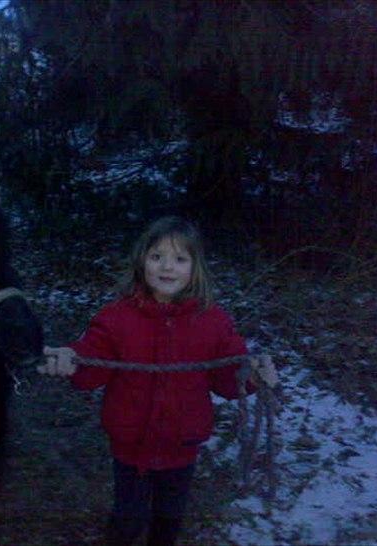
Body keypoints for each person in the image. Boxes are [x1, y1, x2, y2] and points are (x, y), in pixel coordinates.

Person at [38, 216, 278, 546]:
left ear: (195, 268)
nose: (167, 267)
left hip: (182, 447)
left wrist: (251, 376)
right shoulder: (116, 317)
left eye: (180, 259)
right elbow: (93, 363)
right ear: (142, 261)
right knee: (127, 520)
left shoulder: (213, 321)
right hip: (129, 446)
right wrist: (70, 361)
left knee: (168, 523)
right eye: (157, 257)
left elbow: (227, 379)